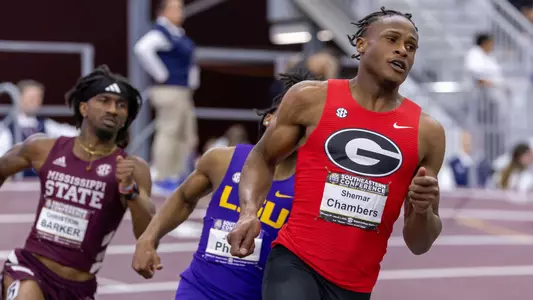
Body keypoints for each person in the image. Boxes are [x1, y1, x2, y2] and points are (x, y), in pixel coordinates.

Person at [227, 7, 446, 300]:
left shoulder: (427, 133)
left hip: (356, 285)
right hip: (295, 261)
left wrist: (422, 210)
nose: (402, 51)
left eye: (411, 47)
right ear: (361, 44)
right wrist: (249, 212)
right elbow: (262, 157)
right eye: (392, 39)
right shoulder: (310, 99)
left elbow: (419, 243)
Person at [131, 72, 312, 300]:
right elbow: (184, 198)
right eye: (290, 119)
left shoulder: (310, 185)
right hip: (198, 290)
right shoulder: (222, 160)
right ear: (269, 118)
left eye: (303, 124)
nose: (295, 130)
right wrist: (149, 238)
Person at [0, 65, 156, 300]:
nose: (113, 109)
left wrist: (130, 191)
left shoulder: (133, 168)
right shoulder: (43, 149)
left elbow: (147, 232)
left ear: (126, 118)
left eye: (121, 105)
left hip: (79, 288)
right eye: (104, 101)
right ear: (83, 107)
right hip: (30, 268)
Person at [134, 0, 200, 189]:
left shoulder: (176, 33)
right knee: (168, 131)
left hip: (182, 90)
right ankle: (162, 175)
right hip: (170, 90)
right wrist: (162, 74)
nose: (181, 12)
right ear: (164, 12)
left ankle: (175, 174)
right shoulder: (161, 32)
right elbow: (142, 49)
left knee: (183, 134)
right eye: (177, 8)